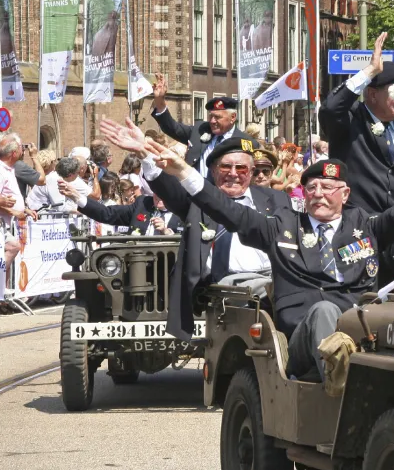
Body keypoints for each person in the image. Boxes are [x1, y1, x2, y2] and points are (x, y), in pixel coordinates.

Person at [146, 127, 394, 379]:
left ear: (345, 194)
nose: (318, 194)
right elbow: (227, 210)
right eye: (311, 187)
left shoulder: (365, 227)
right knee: (324, 312)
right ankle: (340, 379)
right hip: (301, 337)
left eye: (327, 188)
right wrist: (183, 172)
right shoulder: (282, 226)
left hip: (363, 332)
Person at [100, 117, 291, 339]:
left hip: (269, 285)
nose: (233, 173)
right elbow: (169, 187)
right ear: (212, 169)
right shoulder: (198, 199)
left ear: (251, 171)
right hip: (221, 289)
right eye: (226, 166)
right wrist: (144, 152)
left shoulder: (276, 200)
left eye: (241, 168)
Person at [318, 32, 394, 278]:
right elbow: (329, 108)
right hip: (359, 228)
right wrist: (369, 70)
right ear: (372, 94)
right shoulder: (350, 121)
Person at [150, 73, 252, 179]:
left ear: (233, 117)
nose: (212, 121)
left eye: (217, 117)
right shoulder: (200, 130)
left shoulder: (245, 142)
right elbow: (172, 128)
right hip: (195, 193)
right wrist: (160, 101)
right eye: (211, 116)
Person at [60, 181, 185, 236]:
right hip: (138, 268)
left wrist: (167, 232)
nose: (159, 196)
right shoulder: (143, 204)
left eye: (165, 192)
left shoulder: (184, 210)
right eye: (157, 192)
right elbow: (107, 213)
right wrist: (76, 196)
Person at [0, 133, 38, 224]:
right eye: (20, 149)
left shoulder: (10, 169)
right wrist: (14, 212)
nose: (22, 152)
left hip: (12, 224)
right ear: (14, 153)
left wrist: (24, 210)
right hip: (4, 224)